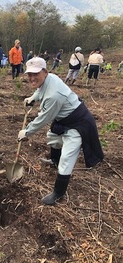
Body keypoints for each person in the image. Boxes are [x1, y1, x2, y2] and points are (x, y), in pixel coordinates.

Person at [18, 57, 104, 205]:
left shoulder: (54, 96)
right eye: (29, 74)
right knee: (53, 137)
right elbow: (41, 90)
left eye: (35, 74)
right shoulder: (49, 78)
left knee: (67, 157)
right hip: (64, 119)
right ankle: (54, 161)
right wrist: (32, 98)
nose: (32, 78)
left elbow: (44, 118)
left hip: (78, 123)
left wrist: (26, 132)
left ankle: (58, 192)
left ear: (44, 72)